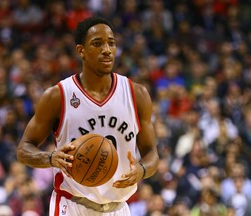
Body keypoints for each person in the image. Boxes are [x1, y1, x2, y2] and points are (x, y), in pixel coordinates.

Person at [16, 16, 159, 216]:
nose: (107, 50)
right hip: (72, 206)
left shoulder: (137, 95)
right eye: (97, 44)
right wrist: (51, 158)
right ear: (81, 51)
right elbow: (23, 149)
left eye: (111, 43)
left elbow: (152, 153)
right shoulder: (58, 96)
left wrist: (142, 170)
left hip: (118, 208)